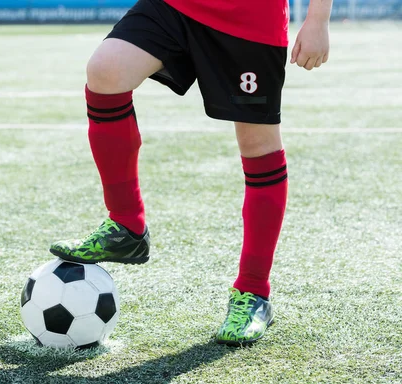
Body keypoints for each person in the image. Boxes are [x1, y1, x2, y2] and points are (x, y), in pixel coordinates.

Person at [50, 0, 332, 346]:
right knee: (106, 70)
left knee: (258, 144)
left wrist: (318, 18)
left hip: (251, 20)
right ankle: (127, 226)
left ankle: (254, 291)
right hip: (175, 5)